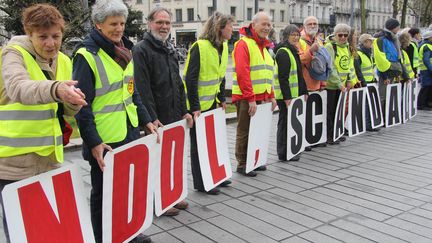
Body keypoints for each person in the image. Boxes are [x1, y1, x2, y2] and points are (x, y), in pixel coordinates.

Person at [0, 4, 86, 242]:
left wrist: (74, 101)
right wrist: (57, 89)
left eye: (56, 36)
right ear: (29, 34)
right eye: (43, 37)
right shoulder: (13, 53)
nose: (51, 43)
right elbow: (18, 88)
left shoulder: (64, 61)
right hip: (11, 161)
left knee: (42, 226)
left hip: (48, 158)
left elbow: (66, 109)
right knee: (19, 229)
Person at [73, 1, 156, 242]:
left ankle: (125, 232)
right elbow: (81, 105)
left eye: (121, 23)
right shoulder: (86, 55)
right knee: (103, 194)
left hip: (128, 132)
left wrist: (146, 120)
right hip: (104, 140)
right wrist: (93, 142)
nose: (119, 28)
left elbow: (131, 91)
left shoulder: (124, 50)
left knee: (124, 188)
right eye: (113, 24)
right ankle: (102, 237)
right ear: (98, 24)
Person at [132, 7, 193, 216]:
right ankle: (159, 201)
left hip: (175, 114)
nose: (164, 26)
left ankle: (172, 195)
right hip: (157, 117)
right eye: (159, 22)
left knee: (172, 158)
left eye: (167, 23)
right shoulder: (141, 50)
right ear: (150, 23)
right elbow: (142, 87)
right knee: (157, 161)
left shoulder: (169, 47)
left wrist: (185, 110)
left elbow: (178, 81)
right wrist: (150, 118)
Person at [183, 12, 233, 195]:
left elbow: (220, 76)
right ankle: (202, 183)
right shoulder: (200, 47)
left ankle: (214, 176)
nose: (232, 29)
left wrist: (221, 98)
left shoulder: (224, 46)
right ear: (219, 27)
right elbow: (190, 79)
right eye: (229, 26)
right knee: (199, 145)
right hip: (198, 106)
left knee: (211, 141)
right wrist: (195, 107)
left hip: (212, 103)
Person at [231, 11, 277, 177]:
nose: (266, 27)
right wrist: (251, 99)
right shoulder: (244, 44)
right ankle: (243, 164)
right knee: (244, 130)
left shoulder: (264, 45)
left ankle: (254, 160)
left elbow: (267, 73)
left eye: (269, 24)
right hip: (247, 98)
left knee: (257, 130)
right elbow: (243, 73)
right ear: (254, 24)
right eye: (263, 24)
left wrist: (271, 95)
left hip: (262, 96)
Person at [274, 24, 308, 162]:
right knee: (284, 124)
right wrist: (287, 97)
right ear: (286, 36)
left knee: (292, 123)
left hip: (294, 94)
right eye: (292, 35)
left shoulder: (293, 51)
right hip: (285, 96)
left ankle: (291, 149)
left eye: (297, 35)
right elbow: (283, 77)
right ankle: (283, 153)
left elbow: (299, 75)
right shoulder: (283, 52)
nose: (296, 37)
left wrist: (304, 91)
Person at [298, 16, 326, 149]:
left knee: (313, 113)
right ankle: (304, 140)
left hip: (316, 82)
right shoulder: (300, 40)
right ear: (304, 26)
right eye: (310, 23)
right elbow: (300, 60)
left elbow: (323, 62)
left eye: (315, 23)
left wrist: (323, 83)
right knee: (304, 114)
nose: (313, 25)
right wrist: (311, 51)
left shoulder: (319, 40)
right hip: (305, 83)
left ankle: (312, 138)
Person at [324, 23, 354, 145]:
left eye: (345, 35)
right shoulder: (330, 47)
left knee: (339, 110)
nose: (342, 37)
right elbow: (331, 67)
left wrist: (349, 80)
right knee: (330, 111)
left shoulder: (347, 47)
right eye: (340, 35)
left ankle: (337, 132)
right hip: (331, 85)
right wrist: (338, 83)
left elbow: (348, 66)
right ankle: (330, 135)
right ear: (335, 35)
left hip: (341, 86)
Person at [373, 18, 408, 116]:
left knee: (388, 95)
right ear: (394, 27)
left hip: (393, 70)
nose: (398, 29)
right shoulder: (382, 40)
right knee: (382, 96)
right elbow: (380, 59)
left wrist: (403, 73)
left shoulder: (393, 39)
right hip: (386, 72)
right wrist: (385, 75)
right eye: (397, 26)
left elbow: (398, 58)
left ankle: (386, 116)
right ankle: (379, 117)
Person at [355, 33, 379, 131]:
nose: (372, 43)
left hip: (371, 82)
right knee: (366, 104)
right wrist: (362, 82)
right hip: (365, 82)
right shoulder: (359, 54)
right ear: (364, 42)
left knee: (370, 104)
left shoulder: (369, 53)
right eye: (370, 41)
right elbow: (358, 70)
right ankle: (367, 124)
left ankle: (370, 123)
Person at [417, 31, 432, 110]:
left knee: (428, 87)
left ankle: (426, 104)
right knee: (426, 87)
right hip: (426, 70)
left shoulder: (427, 45)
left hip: (426, 69)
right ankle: (421, 104)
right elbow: (426, 60)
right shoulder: (427, 46)